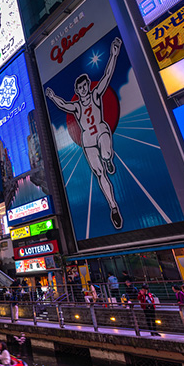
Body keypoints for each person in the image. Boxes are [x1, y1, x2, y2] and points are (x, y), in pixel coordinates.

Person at [44, 37, 124, 229]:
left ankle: (108, 158)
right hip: (87, 138)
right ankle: (113, 206)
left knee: (105, 150)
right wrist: (53, 97)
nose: (83, 90)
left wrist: (113, 54)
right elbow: (63, 104)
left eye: (84, 86)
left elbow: (107, 76)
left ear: (88, 86)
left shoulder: (96, 95)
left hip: (101, 130)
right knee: (99, 173)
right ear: (78, 91)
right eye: (79, 88)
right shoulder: (77, 106)